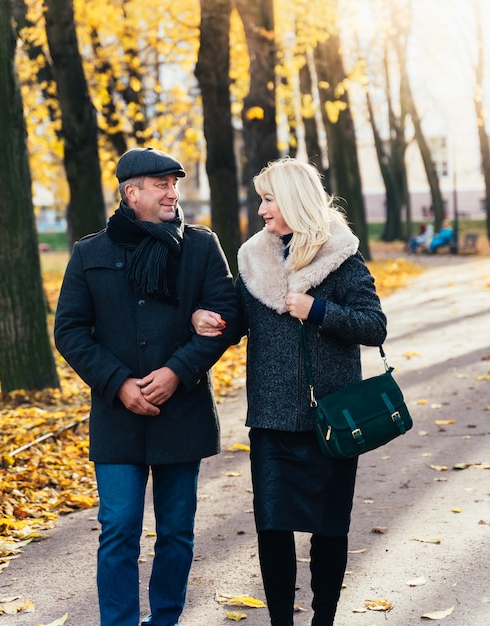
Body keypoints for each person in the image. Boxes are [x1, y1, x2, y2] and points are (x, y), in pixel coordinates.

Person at [192, 157, 387, 626]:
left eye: (268, 199)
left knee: (329, 528)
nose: (260, 209)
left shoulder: (341, 256)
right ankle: (281, 620)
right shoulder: (253, 258)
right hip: (272, 418)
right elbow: (237, 321)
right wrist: (206, 320)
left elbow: (374, 326)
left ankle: (324, 619)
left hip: (334, 420)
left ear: (294, 200)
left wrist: (318, 309)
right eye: (261, 199)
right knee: (272, 526)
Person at [54, 147, 239, 626]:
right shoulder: (89, 252)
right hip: (117, 416)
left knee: (177, 531)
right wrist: (117, 383)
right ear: (130, 192)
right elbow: (70, 330)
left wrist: (178, 370)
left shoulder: (201, 246)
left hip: (183, 411)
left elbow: (229, 315)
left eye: (174, 183)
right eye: (161, 185)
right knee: (118, 528)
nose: (172, 192)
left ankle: (165, 621)